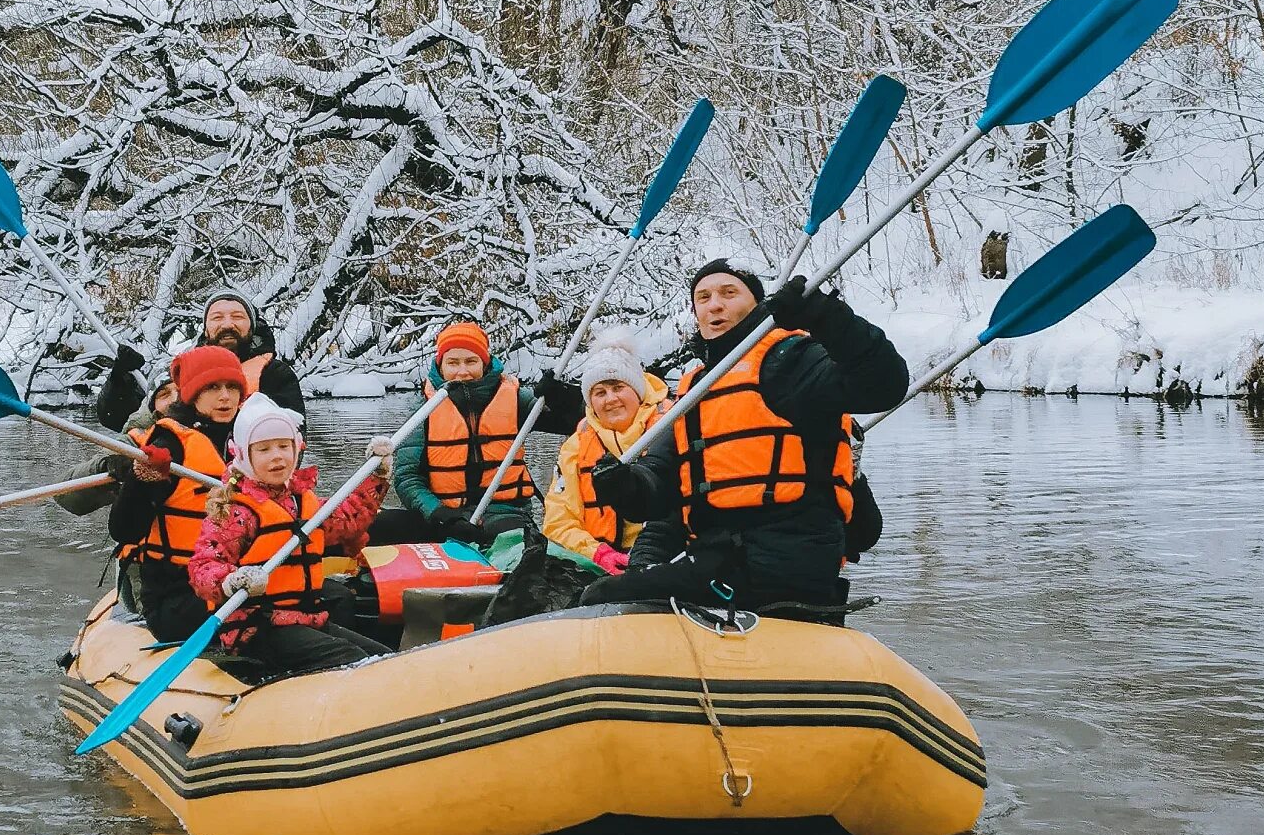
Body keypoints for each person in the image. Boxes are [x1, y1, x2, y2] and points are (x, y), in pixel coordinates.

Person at [581, 259, 907, 611]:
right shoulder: (693, 391)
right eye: (702, 298)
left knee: (602, 598)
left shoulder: (791, 359)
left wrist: (825, 317)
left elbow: (884, 385)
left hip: (789, 561)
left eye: (728, 293)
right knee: (612, 588)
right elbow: (656, 490)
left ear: (756, 304)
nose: (714, 304)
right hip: (723, 562)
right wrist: (625, 485)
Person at [188, 395, 393, 677]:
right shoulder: (235, 510)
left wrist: (376, 476)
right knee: (353, 659)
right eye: (264, 449)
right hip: (257, 627)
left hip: (304, 618)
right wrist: (232, 580)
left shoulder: (300, 501)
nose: (277, 456)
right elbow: (203, 567)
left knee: (384, 658)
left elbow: (348, 520)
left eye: (284, 446)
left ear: (297, 448)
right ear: (245, 456)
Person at [386, 321, 584, 545]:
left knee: (515, 541)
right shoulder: (423, 409)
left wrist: (564, 397)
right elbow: (407, 478)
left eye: (471, 361)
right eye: (453, 363)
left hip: (504, 512)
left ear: (484, 363)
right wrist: (439, 514)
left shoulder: (516, 398)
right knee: (383, 526)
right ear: (441, 366)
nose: (462, 371)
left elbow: (577, 421)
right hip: (443, 516)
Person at [106, 346, 247, 641]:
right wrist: (141, 478)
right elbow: (124, 529)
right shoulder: (170, 444)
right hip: (178, 595)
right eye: (213, 387)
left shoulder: (250, 437)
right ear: (192, 392)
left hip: (237, 580)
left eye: (232, 386)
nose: (225, 396)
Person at [541, 330, 669, 574]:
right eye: (600, 393)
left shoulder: (672, 427)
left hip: (661, 555)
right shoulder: (576, 446)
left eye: (618, 387)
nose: (610, 399)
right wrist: (597, 552)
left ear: (638, 390)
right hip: (599, 559)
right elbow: (558, 522)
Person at [95, 289, 304, 433]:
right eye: (217, 318)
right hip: (183, 472)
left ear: (251, 326)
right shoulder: (181, 369)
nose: (228, 324)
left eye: (238, 317)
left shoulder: (276, 374)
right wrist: (120, 379)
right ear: (206, 328)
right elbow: (116, 419)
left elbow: (291, 439)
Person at [54, 372, 179, 519]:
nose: (175, 400)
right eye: (164, 395)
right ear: (152, 405)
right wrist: (105, 467)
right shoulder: (134, 442)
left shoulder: (210, 429)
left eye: (182, 392)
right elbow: (65, 496)